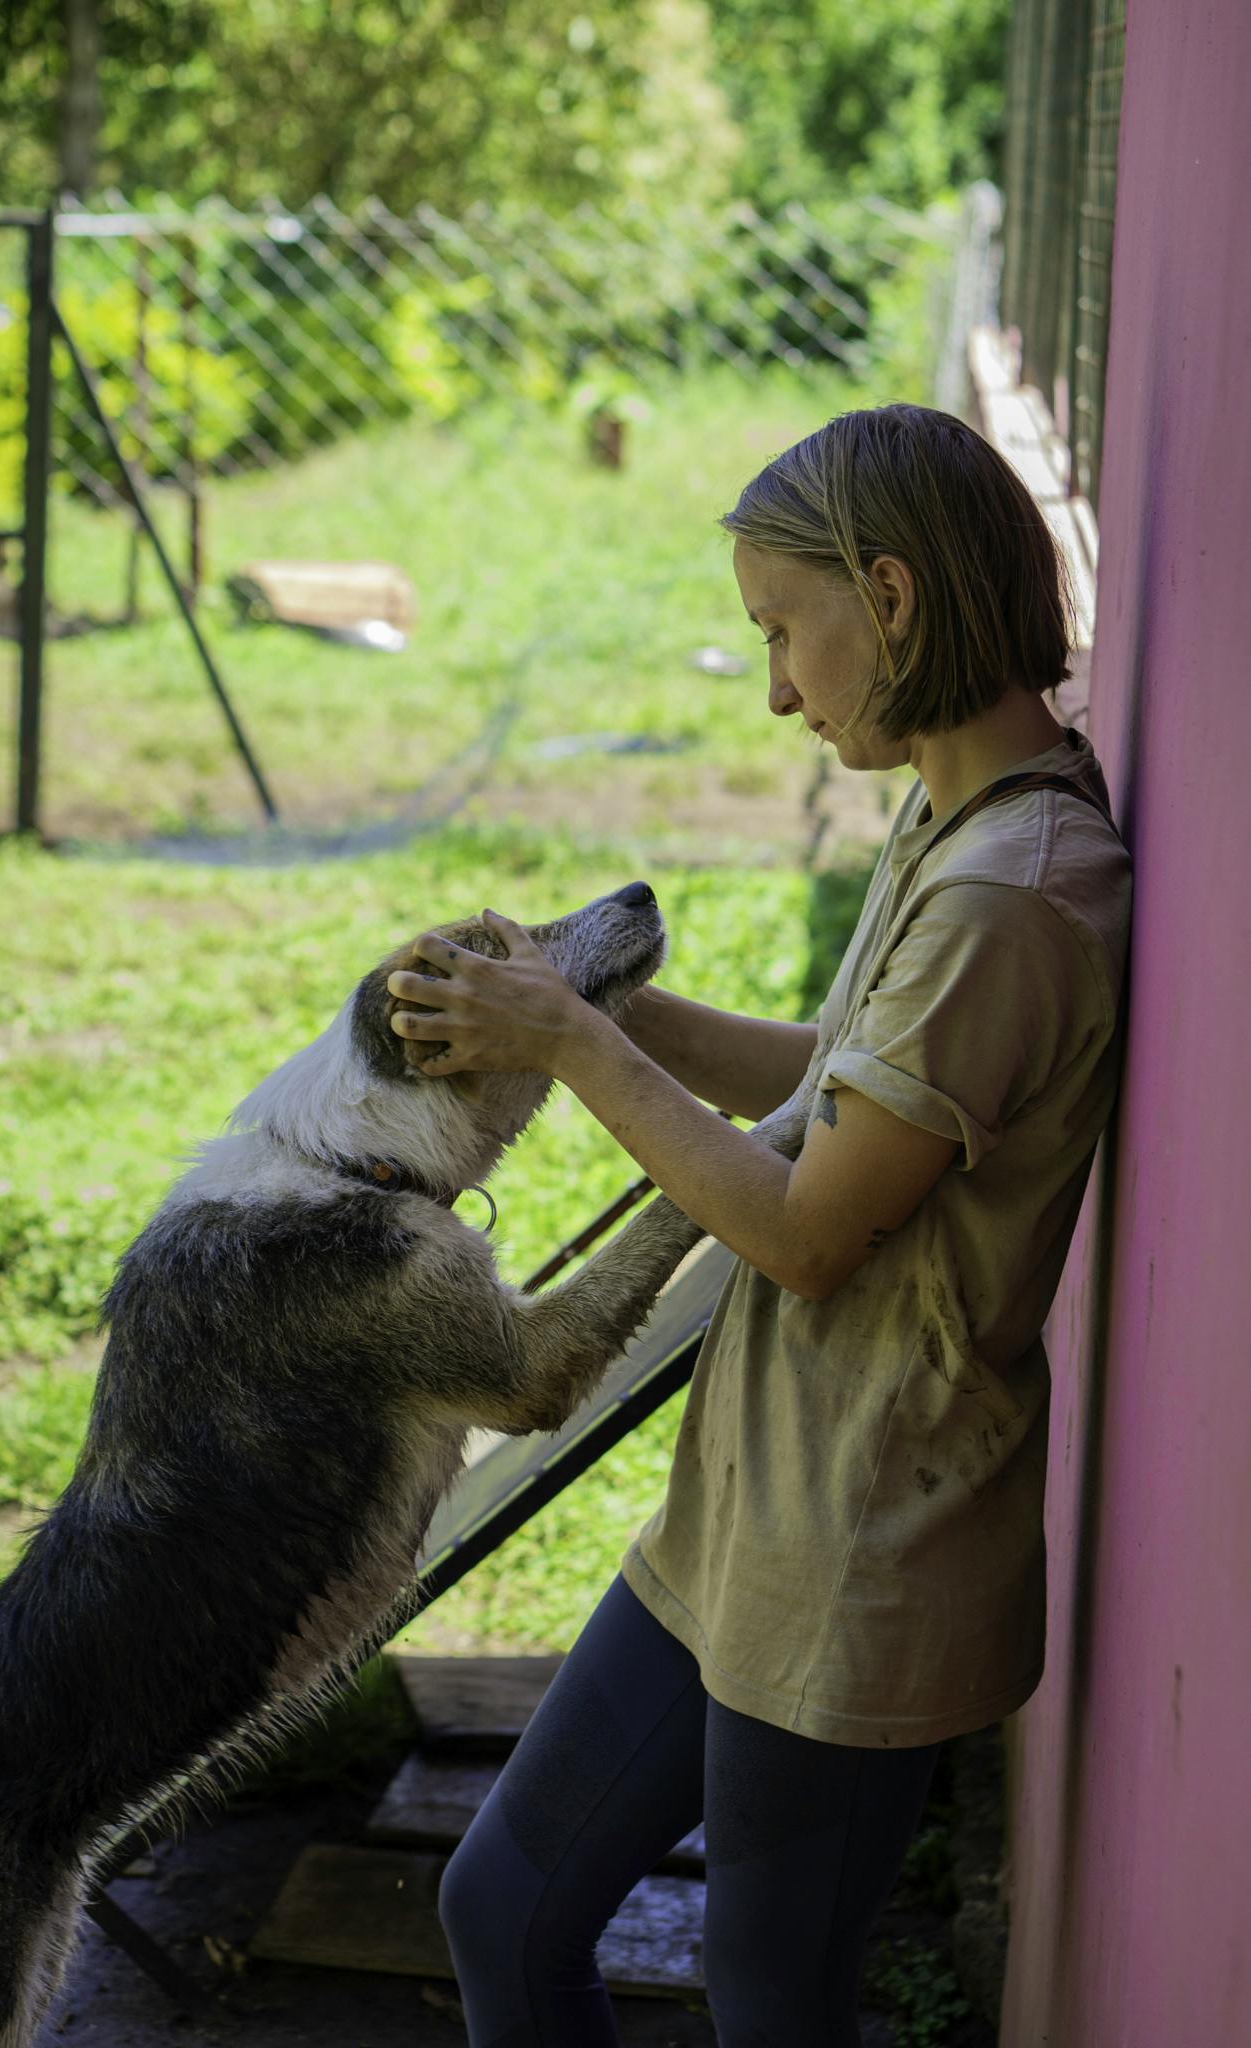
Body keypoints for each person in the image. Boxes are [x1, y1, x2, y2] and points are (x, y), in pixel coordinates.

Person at [385, 402, 1134, 2047]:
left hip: (864, 1553)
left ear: (889, 596)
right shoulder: (957, 811)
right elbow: (853, 1090)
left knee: (769, 2007)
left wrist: (571, 1046)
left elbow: (807, 1227)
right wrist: (584, 999)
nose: (779, 688)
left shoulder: (1016, 890)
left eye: (783, 633)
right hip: (746, 1515)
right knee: (501, 1903)